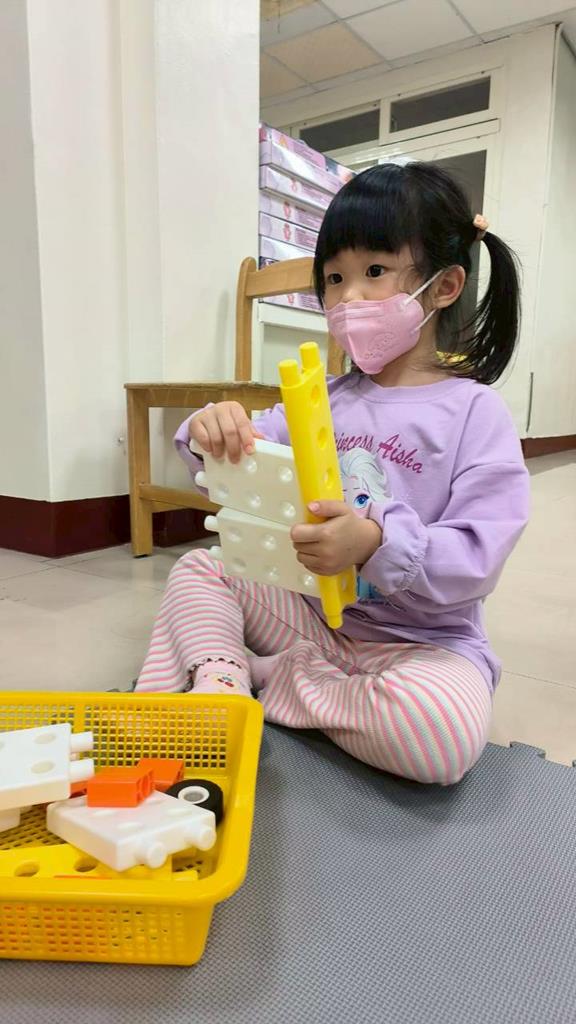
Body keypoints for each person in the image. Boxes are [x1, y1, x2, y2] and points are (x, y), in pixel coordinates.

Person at [134, 161, 530, 786]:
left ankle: (269, 679)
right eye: (334, 279)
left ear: (445, 286)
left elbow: (478, 556)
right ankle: (222, 685)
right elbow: (243, 460)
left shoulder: (475, 412)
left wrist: (375, 541)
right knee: (201, 570)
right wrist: (213, 430)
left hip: (420, 643)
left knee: (441, 736)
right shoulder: (323, 397)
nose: (347, 299)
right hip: (310, 616)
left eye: (374, 272)